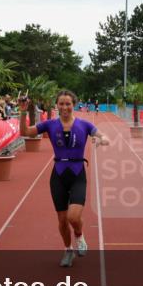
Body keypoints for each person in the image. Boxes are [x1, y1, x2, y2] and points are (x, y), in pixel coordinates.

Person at [18, 90, 109, 267]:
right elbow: (26, 132)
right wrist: (23, 111)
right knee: (61, 219)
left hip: (77, 174)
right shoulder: (50, 125)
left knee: (73, 217)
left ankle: (79, 236)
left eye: (68, 104)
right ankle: (68, 250)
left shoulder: (84, 125)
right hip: (58, 175)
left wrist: (101, 140)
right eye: (61, 104)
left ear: (73, 105)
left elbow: (105, 137)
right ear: (57, 105)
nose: (65, 107)